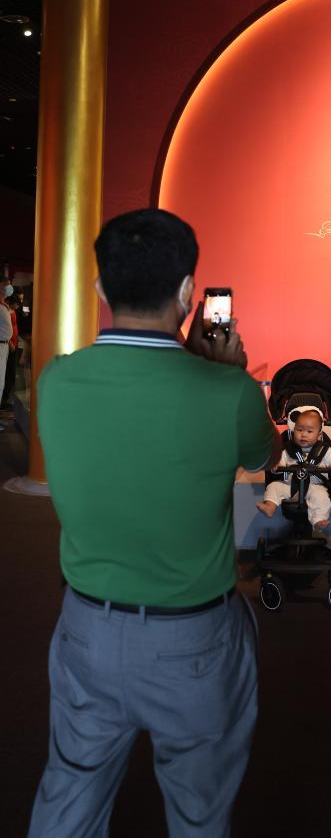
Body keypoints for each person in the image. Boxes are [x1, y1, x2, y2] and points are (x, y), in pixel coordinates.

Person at [28, 208, 281, 838]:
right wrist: (224, 374)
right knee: (199, 814)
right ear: (190, 294)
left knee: (69, 799)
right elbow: (265, 457)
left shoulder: (56, 381)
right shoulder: (230, 393)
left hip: (86, 629)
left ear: (100, 289)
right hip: (193, 640)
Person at [256, 406, 331, 530]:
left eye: (309, 431)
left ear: (319, 435)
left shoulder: (325, 450)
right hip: (290, 487)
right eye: (299, 430)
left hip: (314, 487)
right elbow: (280, 460)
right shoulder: (288, 449)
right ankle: (270, 506)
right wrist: (277, 464)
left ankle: (319, 520)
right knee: (274, 487)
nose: (303, 434)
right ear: (293, 431)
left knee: (321, 498)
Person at [0, 277, 13, 430]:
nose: (10, 287)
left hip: (4, 346)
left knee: (1, 384)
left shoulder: (4, 305)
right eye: (6, 285)